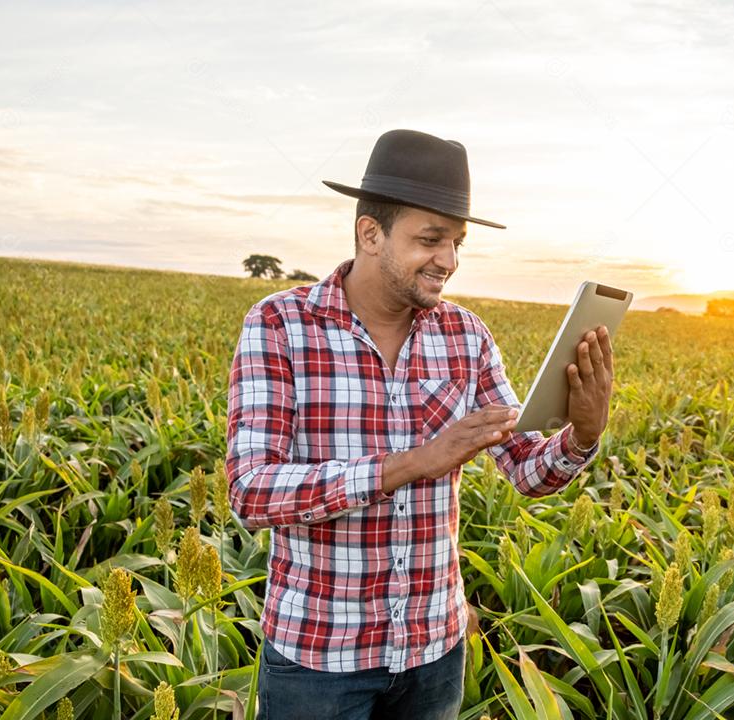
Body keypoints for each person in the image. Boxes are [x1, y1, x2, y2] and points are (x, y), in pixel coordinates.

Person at [224, 129, 614, 719]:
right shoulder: (281, 325)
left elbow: (529, 471)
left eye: (457, 242)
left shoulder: (466, 335)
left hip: (434, 652)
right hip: (319, 657)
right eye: (430, 239)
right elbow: (251, 491)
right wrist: (409, 464)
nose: (449, 261)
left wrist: (582, 433)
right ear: (369, 234)